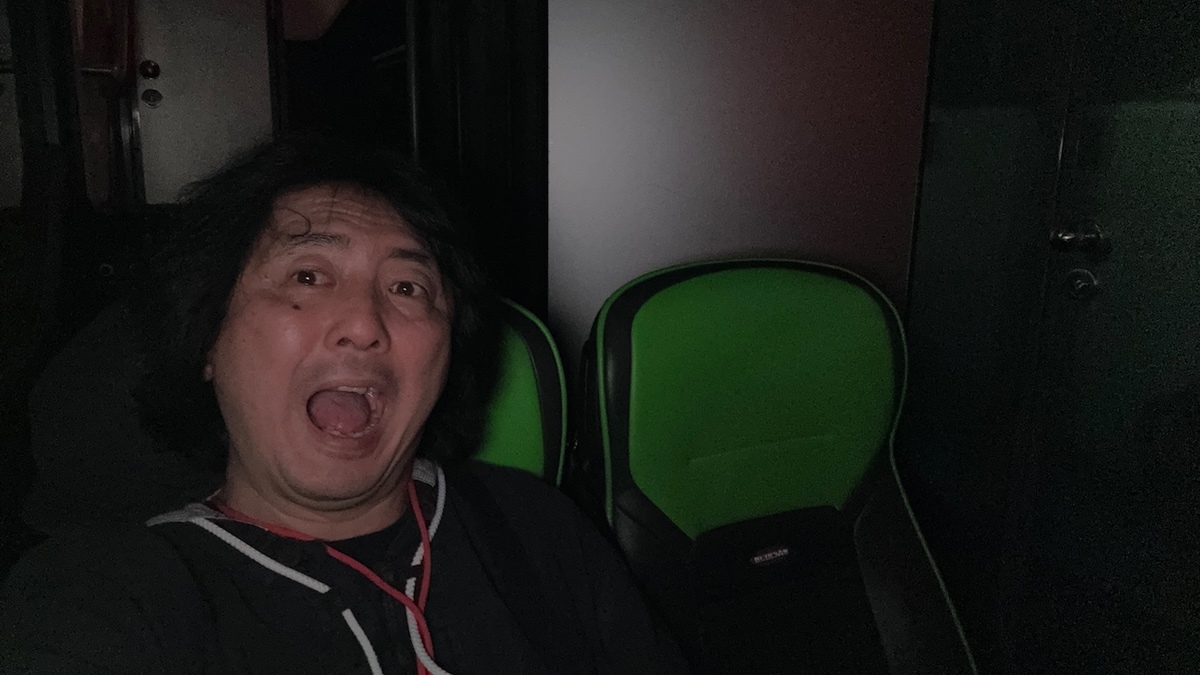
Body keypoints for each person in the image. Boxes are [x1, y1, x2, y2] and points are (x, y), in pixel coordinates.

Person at [0, 138, 687, 674]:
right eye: (308, 275)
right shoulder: (105, 599)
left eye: (408, 288)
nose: (363, 323)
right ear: (208, 337)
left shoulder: (538, 528)